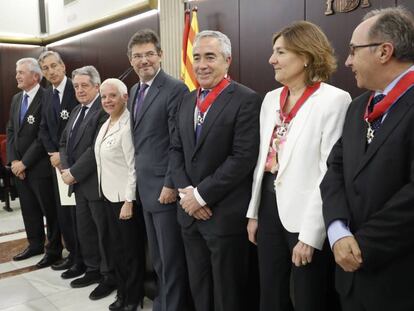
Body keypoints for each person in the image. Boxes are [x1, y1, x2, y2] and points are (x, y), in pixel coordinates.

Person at [246, 21, 351, 311]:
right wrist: (253, 213)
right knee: (270, 292)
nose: (271, 59)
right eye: (273, 52)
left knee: (308, 296)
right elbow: (262, 160)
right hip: (268, 205)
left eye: (280, 52)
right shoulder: (270, 100)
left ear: (305, 56)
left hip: (306, 213)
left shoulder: (334, 101)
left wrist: (311, 234)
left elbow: (329, 171)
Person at [321, 7, 414, 311]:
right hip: (351, 276)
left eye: (353, 51)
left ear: (385, 51)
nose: (347, 61)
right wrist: (336, 230)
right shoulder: (358, 106)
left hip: (398, 277)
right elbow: (335, 169)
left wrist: (361, 244)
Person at [170, 30, 261, 311]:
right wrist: (189, 197)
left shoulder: (246, 99)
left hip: (223, 216)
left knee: (228, 293)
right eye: (196, 57)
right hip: (189, 215)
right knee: (200, 287)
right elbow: (175, 151)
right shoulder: (186, 100)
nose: (201, 64)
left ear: (227, 60)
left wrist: (201, 195)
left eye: (210, 56)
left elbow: (242, 158)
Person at [126, 29, 190, 311]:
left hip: (165, 189)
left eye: (149, 54)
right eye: (137, 56)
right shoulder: (133, 90)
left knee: (172, 257)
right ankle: (163, 302)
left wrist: (170, 184)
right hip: (144, 187)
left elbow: (178, 142)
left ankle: (172, 306)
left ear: (161, 55)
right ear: (130, 60)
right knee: (159, 257)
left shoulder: (175, 89)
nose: (144, 60)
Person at [59, 66, 115, 300]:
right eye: (76, 86)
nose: (80, 90)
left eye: (84, 85)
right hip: (78, 183)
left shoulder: (103, 111)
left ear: (96, 86)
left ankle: (109, 276)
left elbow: (96, 148)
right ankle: (92, 269)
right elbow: (63, 142)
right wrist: (65, 168)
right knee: (86, 231)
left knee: (103, 233)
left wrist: (74, 172)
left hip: (96, 184)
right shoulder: (75, 111)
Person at [95, 78, 146, 311]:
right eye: (104, 96)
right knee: (117, 250)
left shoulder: (127, 126)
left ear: (125, 98)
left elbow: (133, 166)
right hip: (107, 196)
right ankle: (122, 293)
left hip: (124, 201)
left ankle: (133, 298)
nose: (107, 100)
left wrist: (129, 200)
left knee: (131, 253)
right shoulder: (106, 123)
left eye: (112, 96)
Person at [6, 58, 63, 267]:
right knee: (29, 209)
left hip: (39, 167)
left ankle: (54, 249)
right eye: (17, 72)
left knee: (50, 210)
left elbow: (43, 136)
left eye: (21, 72)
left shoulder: (47, 97)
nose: (17, 76)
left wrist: (25, 163)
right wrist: (13, 161)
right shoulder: (15, 99)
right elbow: (11, 130)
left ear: (35, 76)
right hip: (19, 168)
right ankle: (35, 244)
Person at [37, 50, 84, 278]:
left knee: (79, 214)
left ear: (63, 66)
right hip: (56, 164)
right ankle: (73, 255)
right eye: (45, 69)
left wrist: (63, 156)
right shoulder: (46, 95)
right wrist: (53, 153)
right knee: (64, 213)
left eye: (54, 66)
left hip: (75, 164)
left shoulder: (77, 89)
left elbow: (80, 128)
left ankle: (84, 258)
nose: (51, 71)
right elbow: (44, 128)